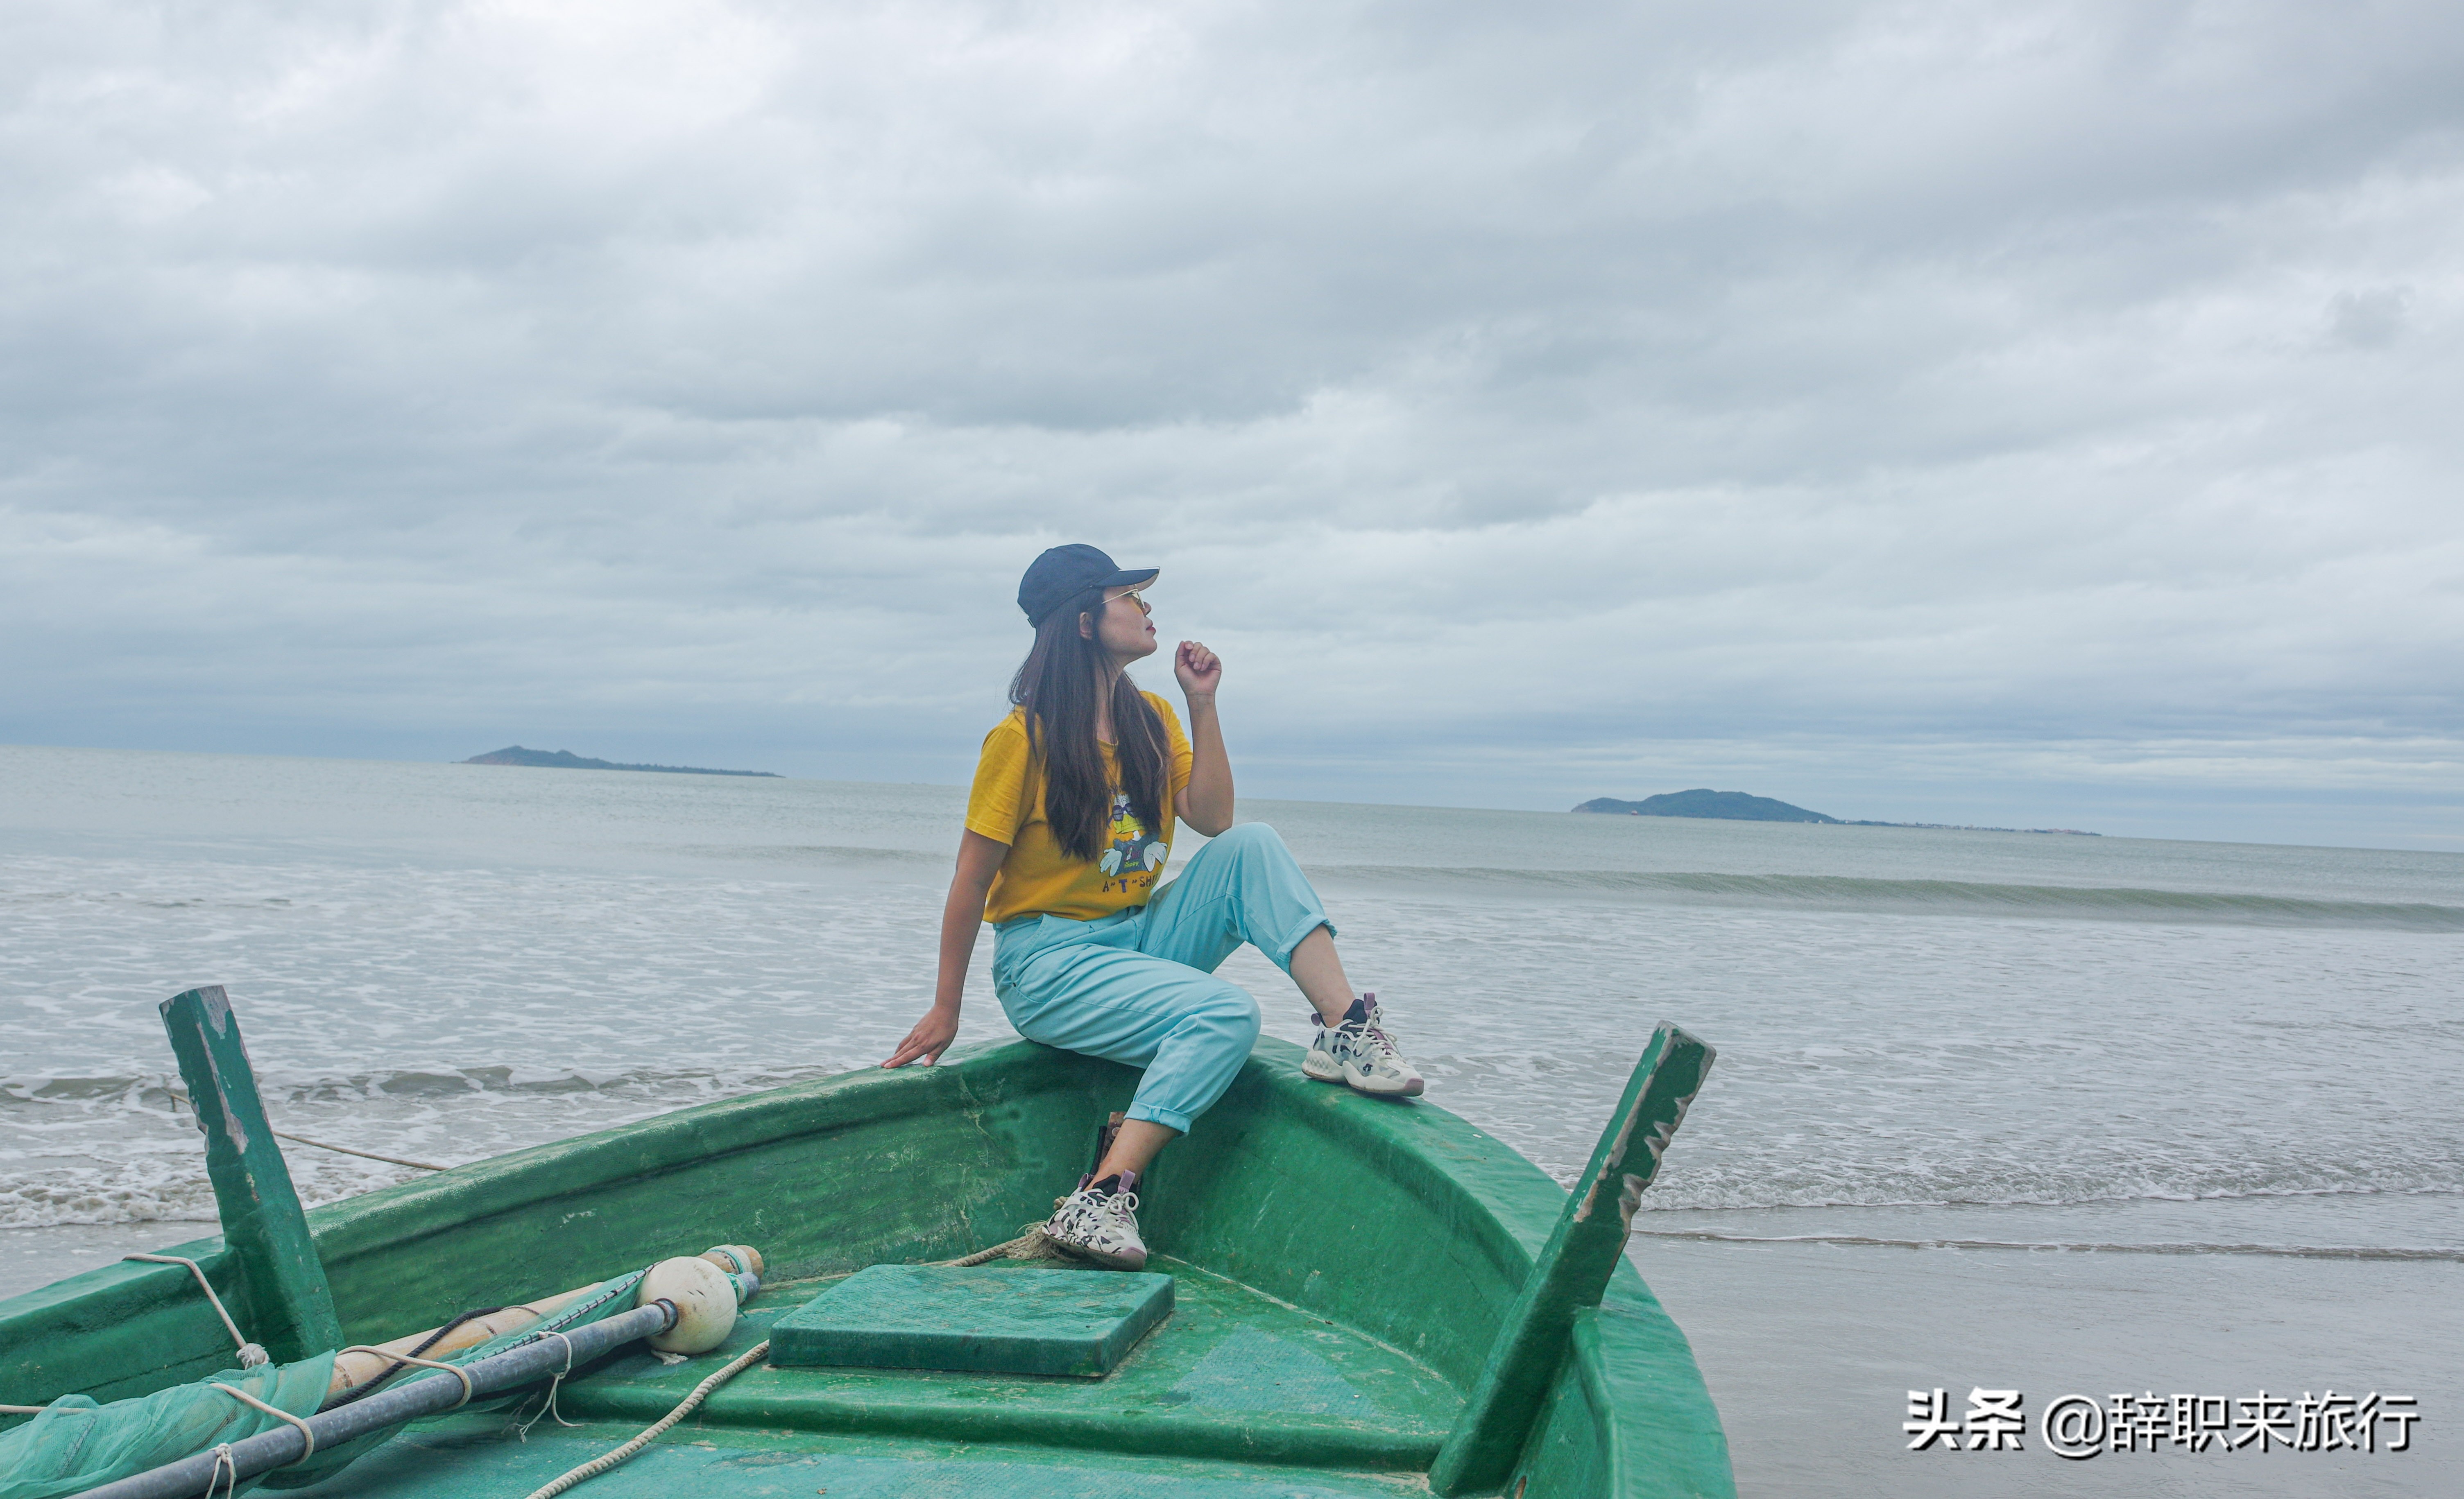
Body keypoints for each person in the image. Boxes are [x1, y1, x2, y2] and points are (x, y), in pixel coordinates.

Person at [882, 544, 1424, 1270]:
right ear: (1083, 621)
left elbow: (1216, 819)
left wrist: (1203, 704)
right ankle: (1099, 1196)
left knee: (1254, 845)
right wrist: (946, 1007)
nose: (1147, 608)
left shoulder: (1153, 719)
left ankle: (1345, 1029)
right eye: (1129, 597)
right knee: (1226, 1014)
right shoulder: (1022, 740)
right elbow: (970, 881)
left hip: (1135, 938)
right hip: (1048, 964)